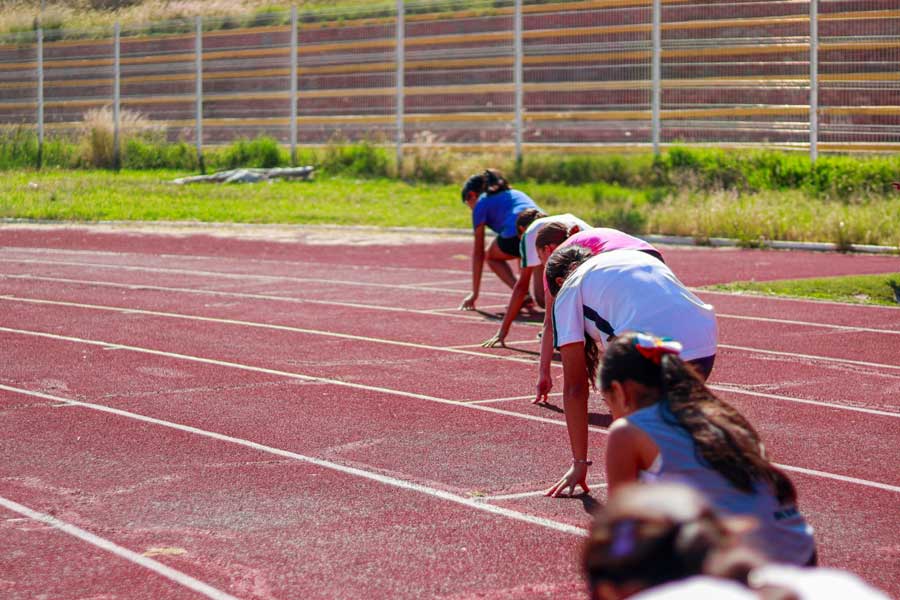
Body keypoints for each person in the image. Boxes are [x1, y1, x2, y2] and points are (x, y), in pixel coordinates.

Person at [578, 332, 816, 566]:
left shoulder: (626, 431)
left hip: (743, 564)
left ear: (620, 391)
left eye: (608, 402)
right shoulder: (719, 414)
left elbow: (622, 527)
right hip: (800, 550)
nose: (612, 413)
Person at [543, 246, 718, 499]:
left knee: (628, 438)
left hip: (651, 348)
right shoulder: (626, 258)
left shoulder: (569, 289)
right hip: (703, 341)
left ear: (559, 281)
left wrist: (579, 462)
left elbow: (574, 388)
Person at [532, 224, 664, 402]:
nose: (543, 265)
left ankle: (625, 387)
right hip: (652, 256)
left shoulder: (558, 261)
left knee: (605, 321)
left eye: (541, 258)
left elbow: (549, 322)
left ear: (548, 249)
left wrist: (544, 373)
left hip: (621, 263)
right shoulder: (582, 241)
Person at [480, 210, 591, 348]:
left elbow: (521, 287)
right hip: (601, 250)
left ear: (521, 231)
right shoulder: (560, 222)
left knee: (550, 294)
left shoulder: (530, 234)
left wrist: (502, 332)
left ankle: (567, 331)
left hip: (583, 253)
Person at [459, 169, 541, 311]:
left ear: (472, 195)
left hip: (517, 233)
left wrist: (475, 293)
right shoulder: (516, 193)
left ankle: (523, 294)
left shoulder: (481, 203)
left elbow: (479, 253)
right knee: (543, 301)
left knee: (490, 255)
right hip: (544, 230)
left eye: (468, 204)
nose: (470, 209)